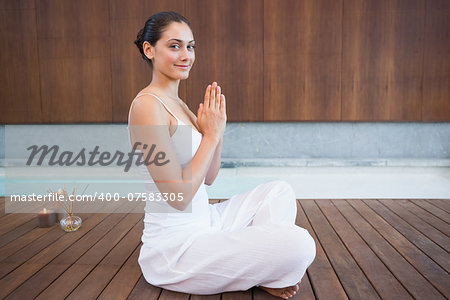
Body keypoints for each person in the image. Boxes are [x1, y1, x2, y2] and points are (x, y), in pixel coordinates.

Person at [127, 11, 316, 299]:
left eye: (190, 47)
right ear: (149, 50)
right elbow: (178, 198)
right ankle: (266, 266)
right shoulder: (146, 106)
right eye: (174, 46)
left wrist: (217, 132)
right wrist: (211, 136)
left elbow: (210, 178)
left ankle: (261, 266)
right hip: (176, 249)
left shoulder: (179, 104)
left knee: (279, 191)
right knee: (300, 244)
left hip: (209, 224)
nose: (186, 55)